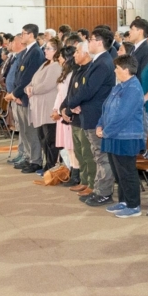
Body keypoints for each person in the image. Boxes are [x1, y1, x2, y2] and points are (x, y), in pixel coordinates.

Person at [67, 28, 117, 207]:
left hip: (97, 116)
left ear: (100, 42)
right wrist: (76, 103)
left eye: (91, 39)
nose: (88, 42)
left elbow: (89, 89)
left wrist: (72, 103)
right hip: (90, 113)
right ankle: (98, 189)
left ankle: (103, 192)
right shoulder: (99, 61)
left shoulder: (103, 63)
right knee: (98, 155)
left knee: (101, 156)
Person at [96, 55, 146, 218]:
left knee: (127, 172)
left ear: (125, 69)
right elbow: (107, 107)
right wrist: (100, 124)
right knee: (118, 172)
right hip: (114, 135)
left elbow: (122, 115)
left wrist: (107, 131)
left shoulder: (133, 88)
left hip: (126, 137)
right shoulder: (120, 86)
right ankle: (124, 201)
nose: (115, 70)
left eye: (117, 68)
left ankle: (134, 205)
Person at [6, 24, 45, 173]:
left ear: (30, 35)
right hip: (20, 97)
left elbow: (28, 78)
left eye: (23, 33)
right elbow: (18, 76)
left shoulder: (35, 52)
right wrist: (15, 94)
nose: (21, 36)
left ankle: (35, 160)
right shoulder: (26, 52)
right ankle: (28, 157)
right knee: (23, 130)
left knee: (30, 131)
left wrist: (16, 94)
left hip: (26, 98)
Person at [62, 42, 96, 196]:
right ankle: (83, 180)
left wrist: (72, 107)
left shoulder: (90, 70)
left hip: (83, 116)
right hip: (74, 116)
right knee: (79, 152)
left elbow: (86, 92)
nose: (74, 55)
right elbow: (70, 93)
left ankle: (91, 182)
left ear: (86, 54)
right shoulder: (77, 69)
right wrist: (65, 108)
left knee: (87, 152)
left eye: (77, 52)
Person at [27, 37, 63, 171]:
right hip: (39, 106)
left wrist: (33, 90)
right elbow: (33, 80)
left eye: (48, 48)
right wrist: (28, 87)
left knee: (50, 139)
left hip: (48, 106)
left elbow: (47, 85)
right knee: (42, 137)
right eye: (45, 48)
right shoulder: (45, 63)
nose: (45, 50)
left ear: (56, 50)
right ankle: (48, 164)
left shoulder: (56, 66)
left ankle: (51, 166)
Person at [53, 46, 80, 186]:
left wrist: (65, 110)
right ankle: (71, 170)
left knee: (72, 145)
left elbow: (71, 95)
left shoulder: (73, 73)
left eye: (61, 56)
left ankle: (76, 173)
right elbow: (60, 94)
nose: (58, 58)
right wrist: (56, 109)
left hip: (69, 113)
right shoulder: (65, 72)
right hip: (62, 111)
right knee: (68, 146)